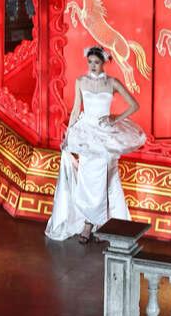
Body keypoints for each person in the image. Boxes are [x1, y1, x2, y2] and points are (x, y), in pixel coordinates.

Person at [45, 46, 146, 243]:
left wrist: (115, 119)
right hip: (86, 135)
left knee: (105, 179)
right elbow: (76, 110)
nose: (92, 65)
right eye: (90, 62)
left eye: (96, 62)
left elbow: (134, 105)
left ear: (103, 63)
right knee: (87, 178)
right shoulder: (80, 81)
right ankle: (89, 222)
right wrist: (68, 136)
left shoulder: (112, 82)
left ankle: (100, 223)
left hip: (105, 136)